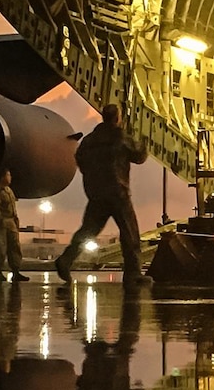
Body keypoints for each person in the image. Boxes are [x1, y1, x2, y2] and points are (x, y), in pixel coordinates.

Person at [55, 104, 148, 286]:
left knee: (88, 230)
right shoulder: (120, 137)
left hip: (96, 192)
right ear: (117, 118)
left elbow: (80, 159)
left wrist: (94, 177)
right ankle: (133, 273)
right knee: (130, 233)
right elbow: (139, 156)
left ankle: (66, 259)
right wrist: (143, 141)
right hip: (117, 192)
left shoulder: (89, 140)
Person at [0, 169, 26, 281]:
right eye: (8, 175)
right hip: (0, 224)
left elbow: (13, 208)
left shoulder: (9, 190)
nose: (10, 177)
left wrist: (16, 221)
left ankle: (16, 271)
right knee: (0, 248)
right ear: (2, 177)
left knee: (15, 247)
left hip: (11, 222)